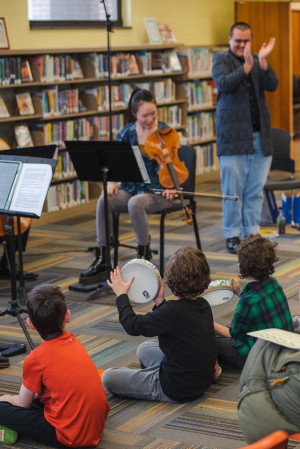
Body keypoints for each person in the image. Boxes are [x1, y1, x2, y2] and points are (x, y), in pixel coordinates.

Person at [80, 88, 180, 283]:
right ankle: (102, 257)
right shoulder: (127, 132)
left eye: (153, 113)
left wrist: (173, 184)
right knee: (104, 200)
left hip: (159, 191)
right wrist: (111, 183)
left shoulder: (165, 132)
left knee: (136, 203)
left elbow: (176, 165)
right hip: (131, 187)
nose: (150, 119)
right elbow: (114, 164)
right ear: (134, 114)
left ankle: (144, 256)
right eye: (145, 115)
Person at [102, 247, 217, 403]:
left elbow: (133, 326)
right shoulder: (203, 304)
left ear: (171, 279)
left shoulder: (171, 311)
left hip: (176, 388)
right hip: (202, 379)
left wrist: (121, 295)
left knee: (108, 378)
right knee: (145, 348)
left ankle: (155, 378)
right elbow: (175, 326)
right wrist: (159, 303)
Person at [0, 284, 110, 447]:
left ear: (30, 324)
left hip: (71, 436)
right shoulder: (75, 342)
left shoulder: (35, 358)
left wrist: (4, 399)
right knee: (39, 397)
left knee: (3, 408)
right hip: (96, 425)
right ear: (67, 316)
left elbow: (24, 403)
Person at [212, 22, 279, 254]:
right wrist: (247, 68)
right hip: (232, 138)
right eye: (238, 40)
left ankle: (251, 233)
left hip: (259, 136)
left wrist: (262, 62)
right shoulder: (220, 59)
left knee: (254, 189)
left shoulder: (257, 58)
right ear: (230, 39)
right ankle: (232, 234)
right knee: (233, 190)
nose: (242, 45)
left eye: (246, 41)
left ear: (251, 40)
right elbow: (224, 84)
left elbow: (273, 85)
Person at [214, 234, 294, 369]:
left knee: (212, 337)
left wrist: (209, 322)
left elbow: (234, 334)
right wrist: (240, 293)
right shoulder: (274, 283)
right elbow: (258, 306)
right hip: (284, 348)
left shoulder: (248, 301)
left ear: (240, 267)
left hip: (259, 357)